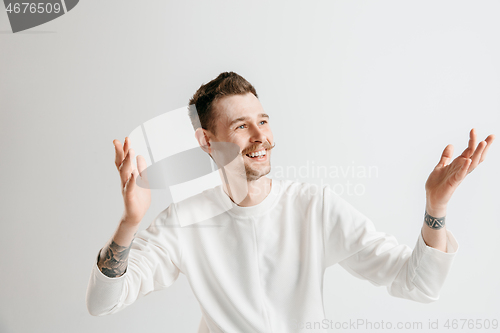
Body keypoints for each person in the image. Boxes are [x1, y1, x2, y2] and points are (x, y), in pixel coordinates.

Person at [86, 72, 495, 332]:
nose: (260, 136)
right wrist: (129, 223)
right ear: (207, 142)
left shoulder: (313, 206)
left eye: (262, 120)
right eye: (241, 126)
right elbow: (102, 304)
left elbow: (419, 286)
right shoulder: (184, 220)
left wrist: (436, 207)